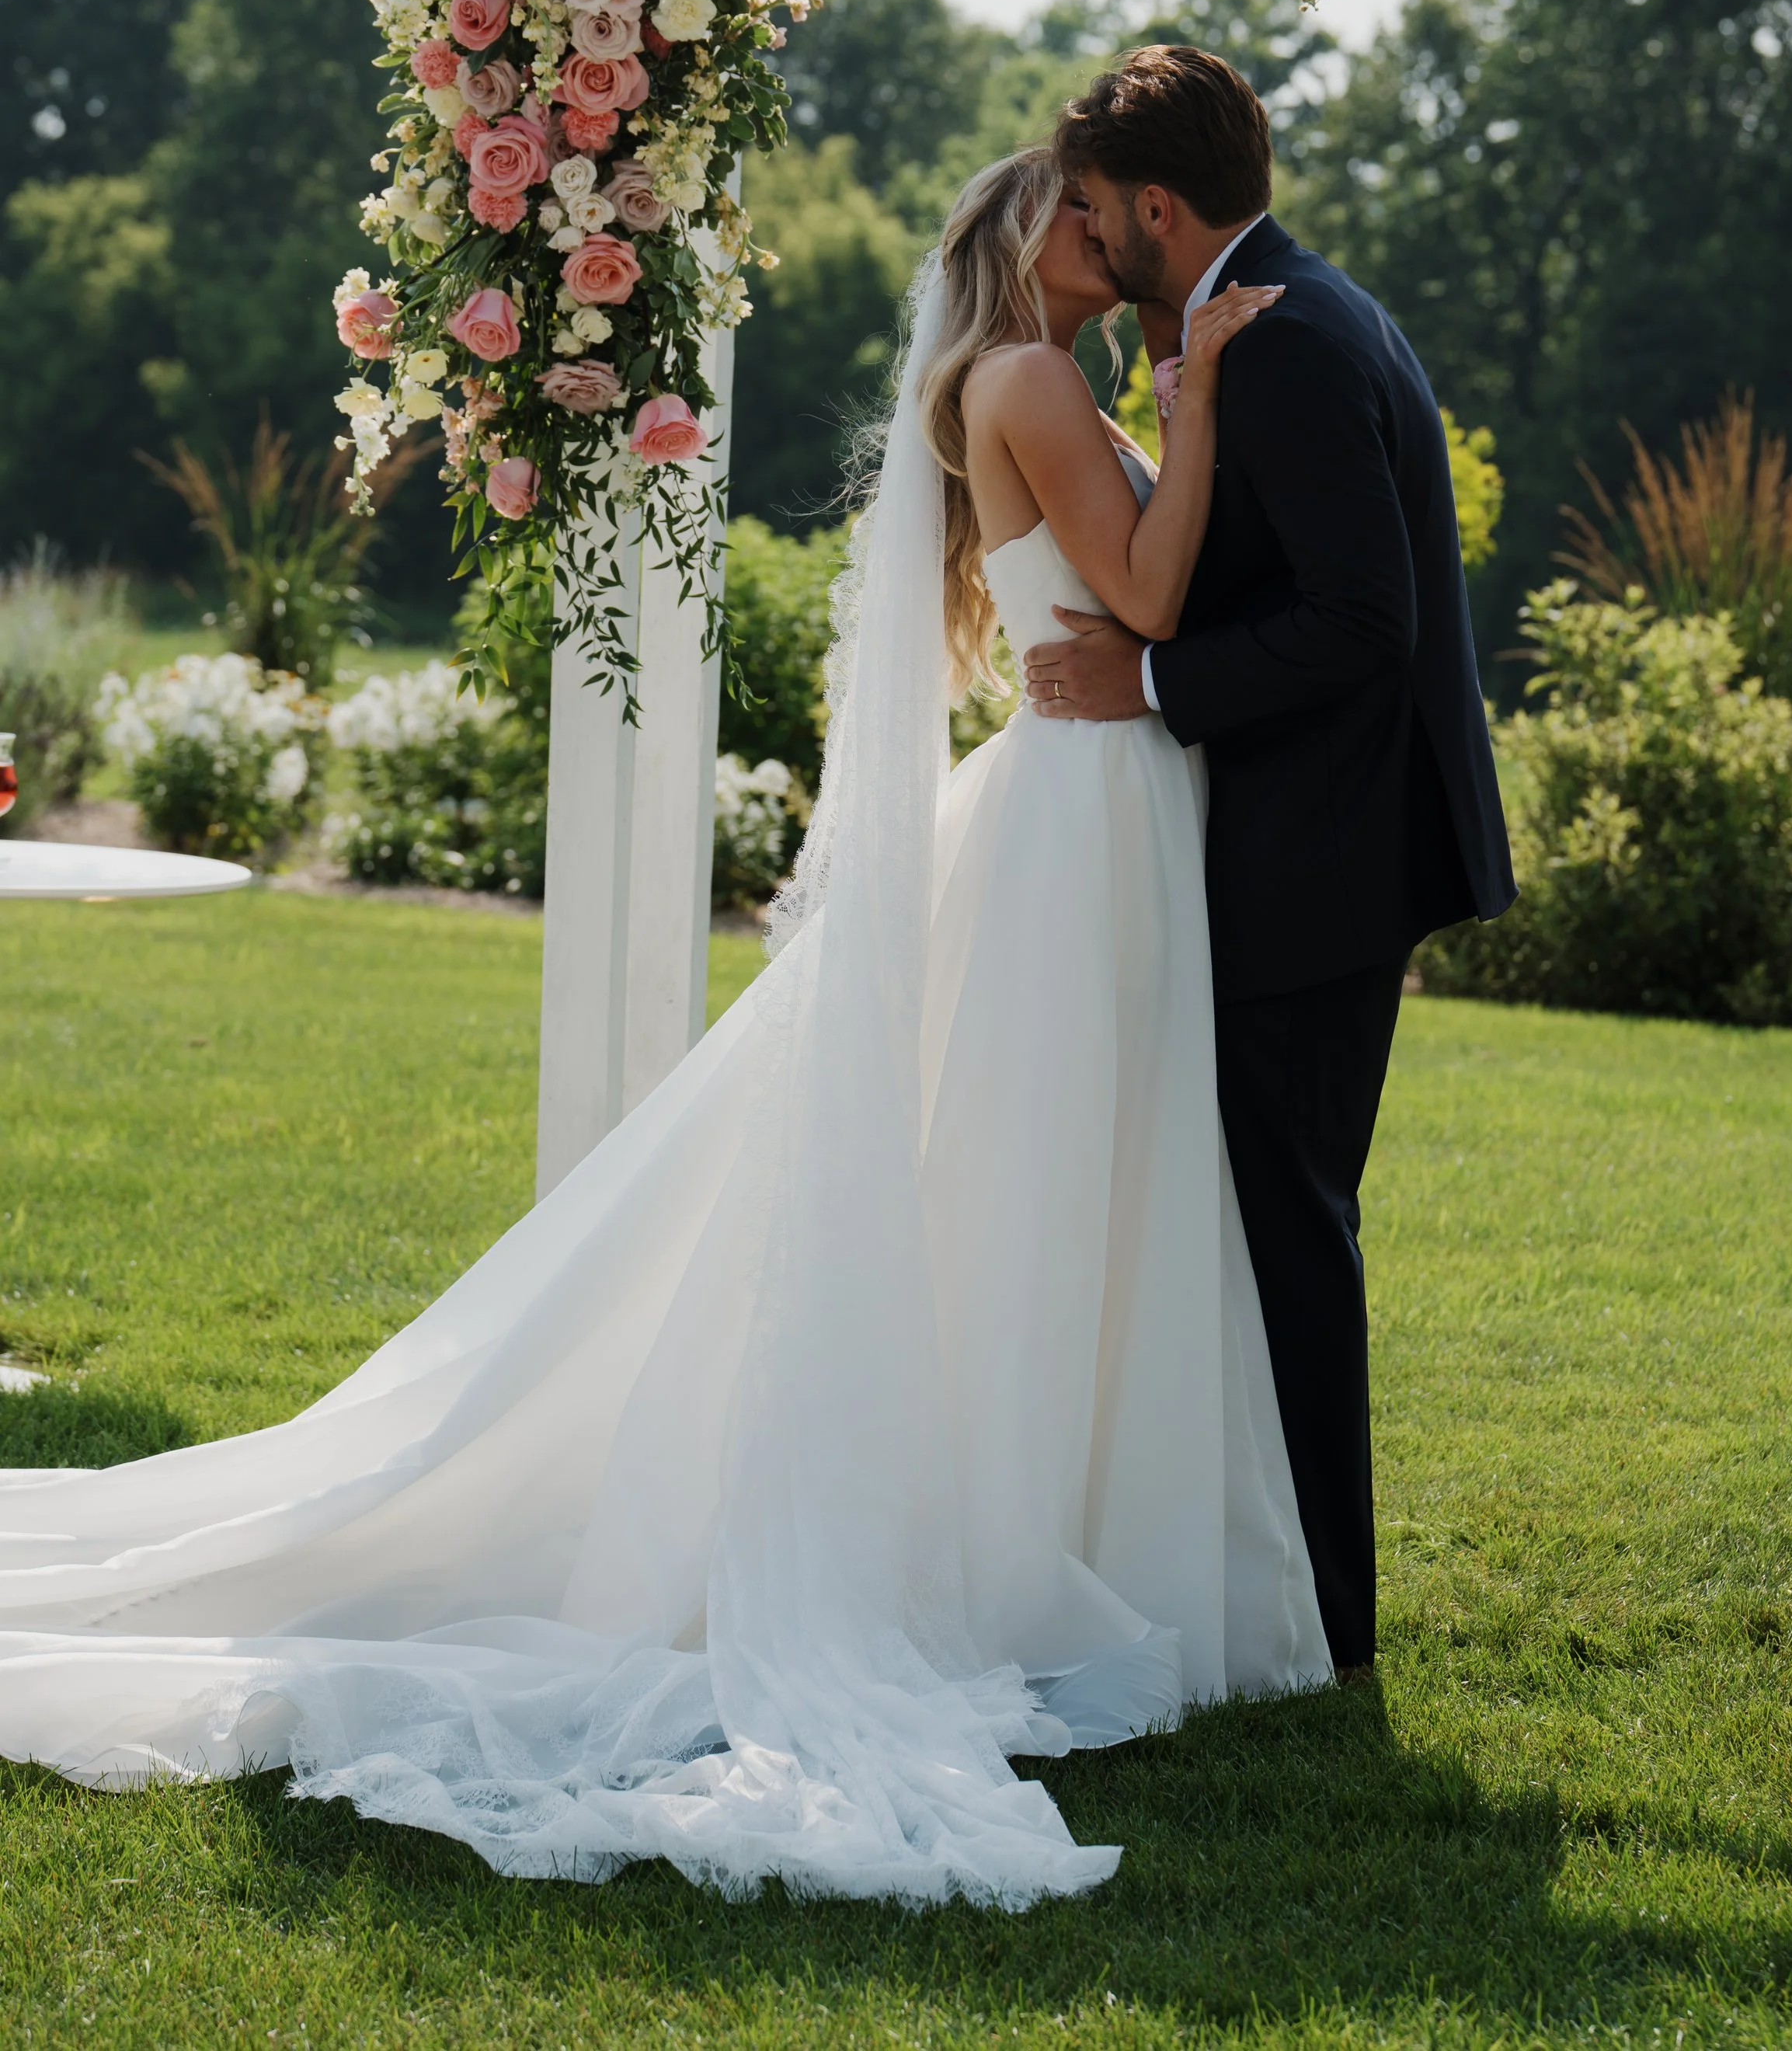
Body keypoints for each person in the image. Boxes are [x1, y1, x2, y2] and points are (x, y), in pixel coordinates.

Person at [0, 141, 1324, 1910]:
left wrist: (1164, 399)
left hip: (1092, 798)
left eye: (1109, 217)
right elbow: (1149, 601)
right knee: (1039, 1175)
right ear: (1022, 242)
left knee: (1050, 1176)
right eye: (1077, 220)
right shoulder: (1023, 373)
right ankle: (1022, 1553)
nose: (1106, 240)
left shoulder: (1027, 379)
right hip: (1080, 810)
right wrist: (1205, 390)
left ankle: (1062, 1533)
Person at [1023, 45, 1516, 1677]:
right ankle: (1277, 1593)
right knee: (1264, 1220)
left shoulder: (1292, 340)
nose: (1083, 229)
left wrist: (1149, 681)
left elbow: (1359, 626)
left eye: (1095, 207)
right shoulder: (1282, 317)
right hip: (1322, 844)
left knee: (1285, 1226)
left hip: (1321, 857)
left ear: (1159, 207)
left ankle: (1324, 1622)